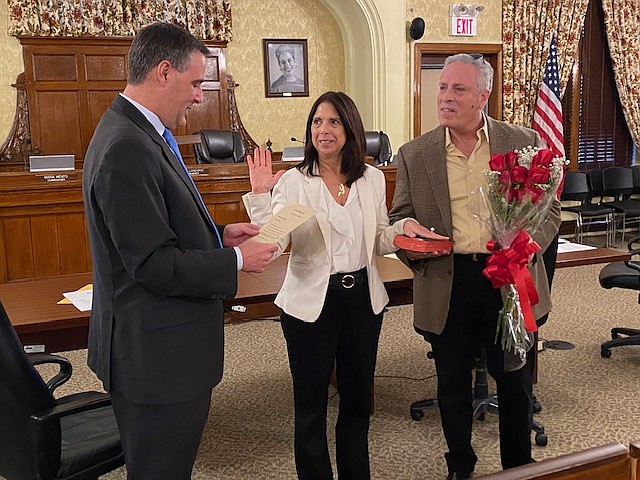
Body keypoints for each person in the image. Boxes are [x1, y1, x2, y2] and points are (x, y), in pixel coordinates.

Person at [82, 22, 278, 480]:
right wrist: (236, 261)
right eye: (194, 83)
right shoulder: (127, 146)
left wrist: (220, 234)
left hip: (158, 350)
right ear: (164, 72)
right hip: (156, 359)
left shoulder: (136, 131)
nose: (197, 95)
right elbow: (152, 264)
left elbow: (157, 227)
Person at [243, 91, 446, 480]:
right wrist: (259, 196)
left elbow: (380, 236)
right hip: (310, 305)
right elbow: (274, 241)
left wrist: (404, 230)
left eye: (333, 121)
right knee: (311, 411)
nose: (324, 130)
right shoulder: (295, 182)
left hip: (362, 304)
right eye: (317, 122)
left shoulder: (370, 178)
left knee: (357, 407)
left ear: (350, 128)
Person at [388, 54, 561, 480]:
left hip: (508, 278)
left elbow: (550, 209)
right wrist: (412, 243)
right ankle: (460, 465)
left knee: (516, 382)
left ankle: (518, 467)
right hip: (448, 280)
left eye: (458, 89)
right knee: (451, 386)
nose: (445, 96)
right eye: (443, 87)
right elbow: (399, 218)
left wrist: (526, 245)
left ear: (483, 96)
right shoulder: (415, 153)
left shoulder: (521, 142)